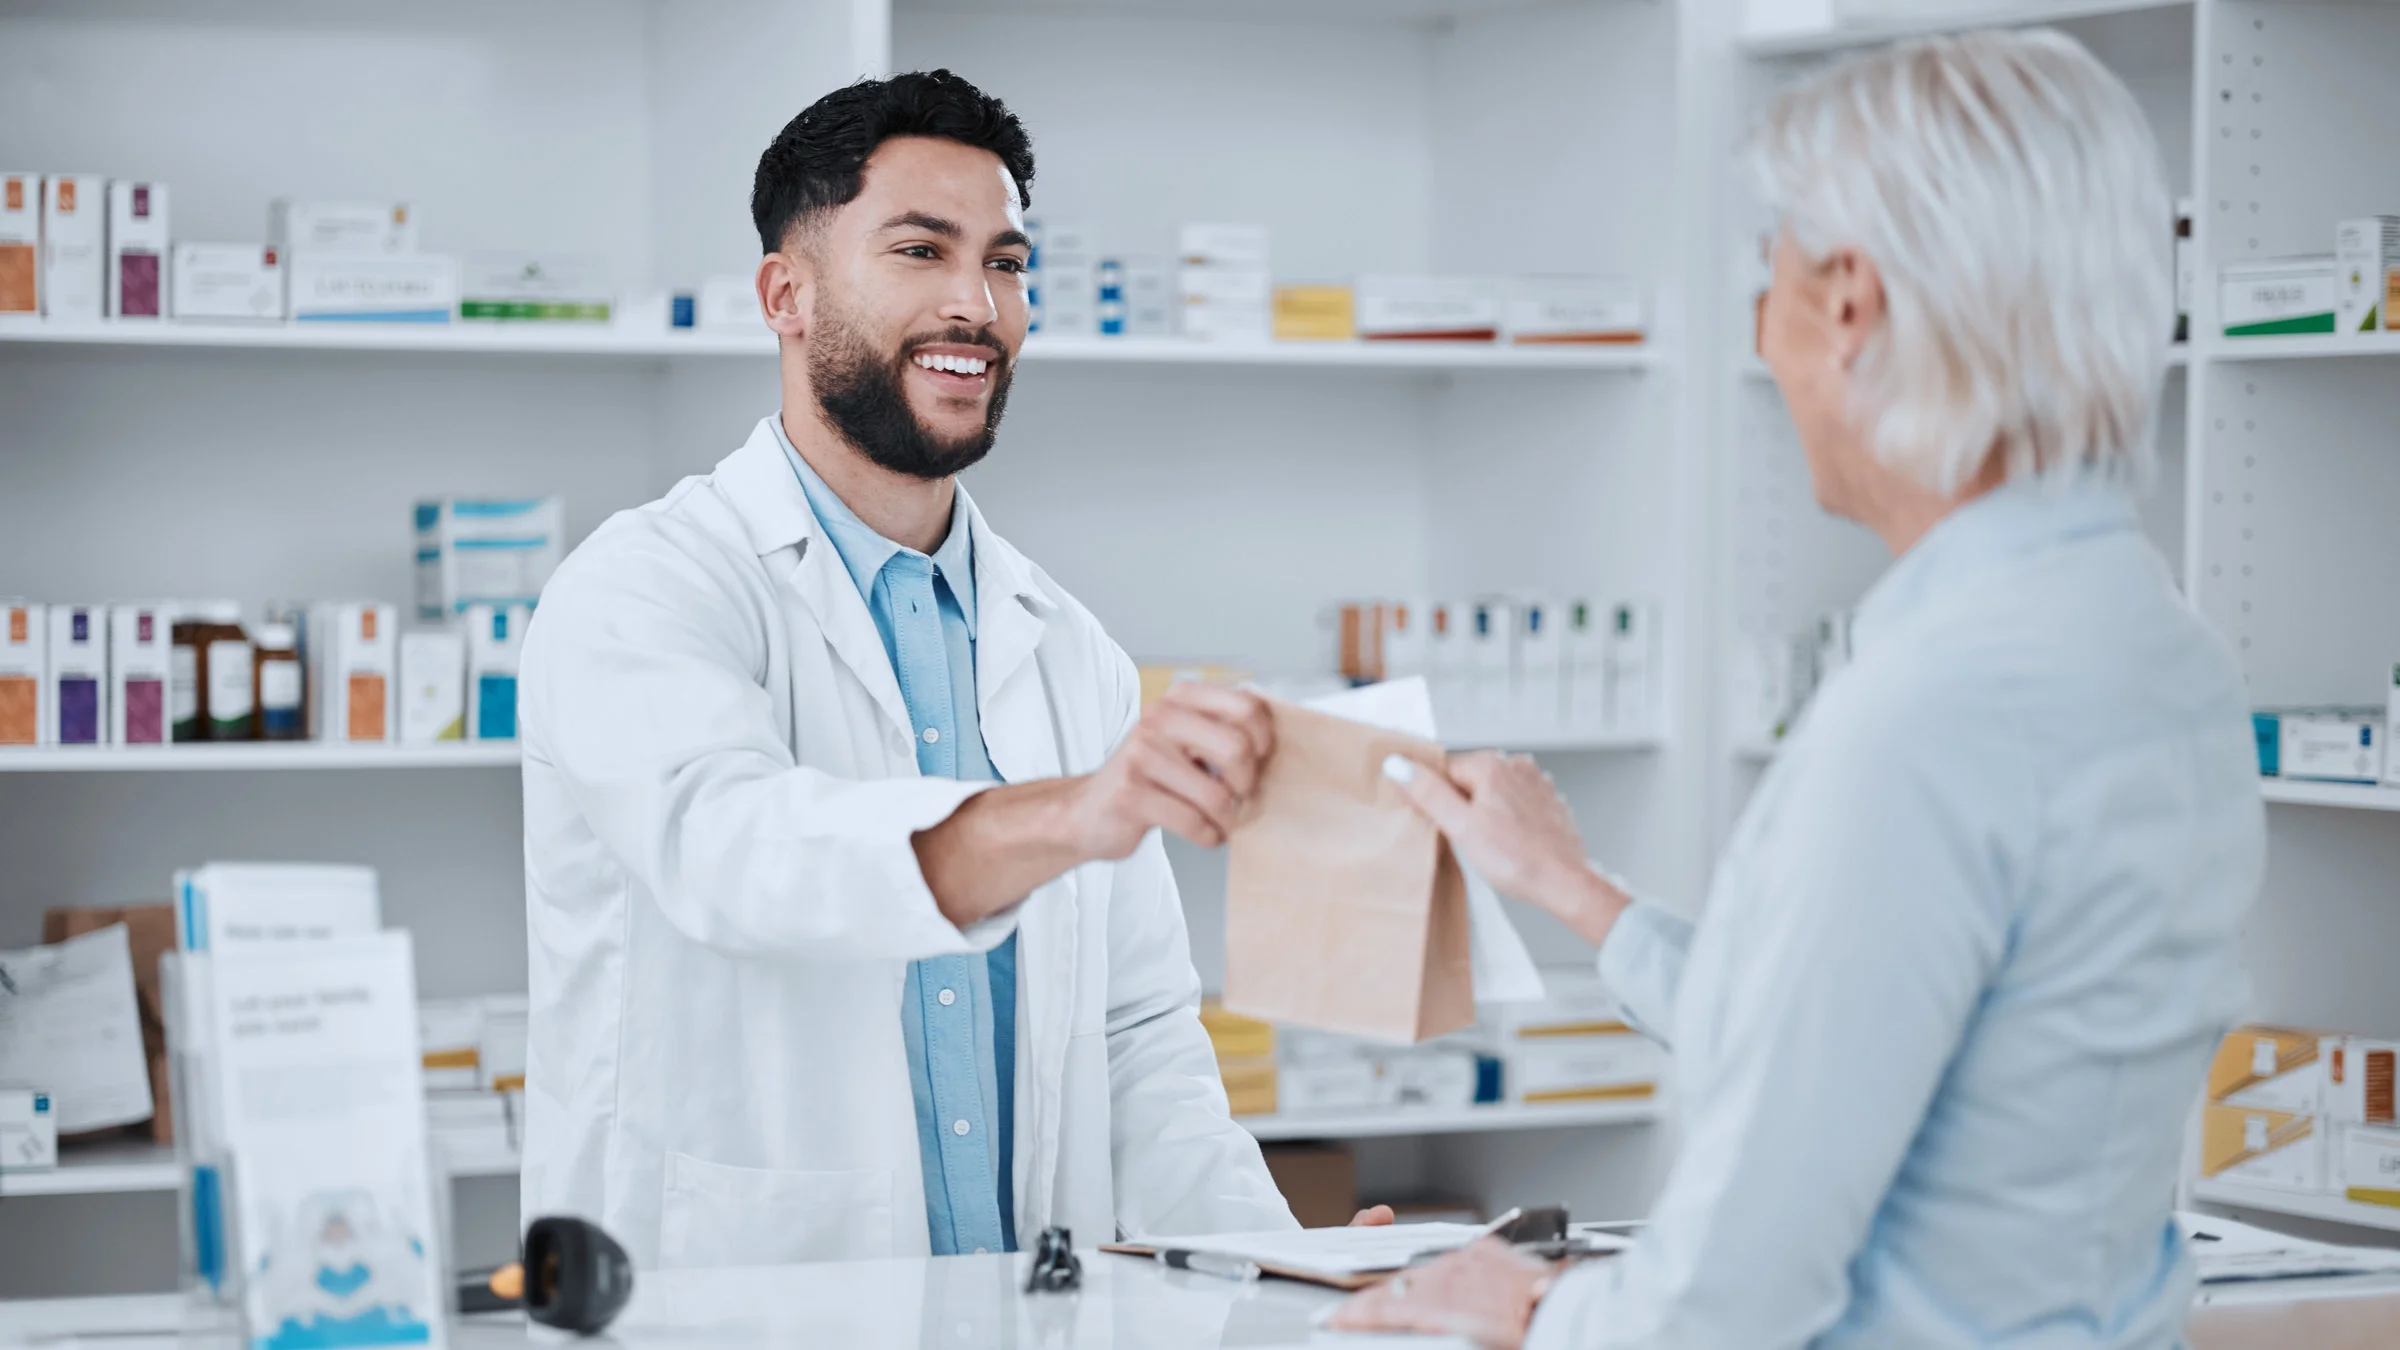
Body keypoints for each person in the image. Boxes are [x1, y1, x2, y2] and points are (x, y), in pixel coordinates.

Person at [1333, 30, 2263, 1350]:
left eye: (1767, 281)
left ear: (1848, 305)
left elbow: (1735, 1289)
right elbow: (1898, 1054)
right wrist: (1578, 889)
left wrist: (1528, 1309)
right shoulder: (2162, 650)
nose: (1763, 335)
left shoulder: (1929, 717)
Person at [516, 70, 1362, 1269]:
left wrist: (1284, 1272)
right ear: (786, 294)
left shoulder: (1067, 647)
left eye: (1007, 264)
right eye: (922, 250)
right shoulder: (647, 588)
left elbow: (1138, 1041)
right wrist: (1070, 816)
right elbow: (737, 852)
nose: (978, 304)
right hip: (724, 1297)